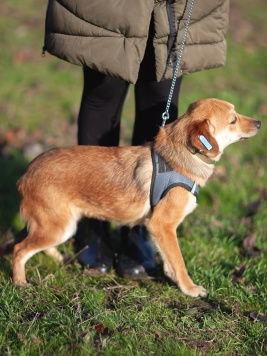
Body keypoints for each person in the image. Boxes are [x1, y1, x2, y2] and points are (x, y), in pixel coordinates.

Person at [42, 0, 230, 278]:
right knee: (103, 93)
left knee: (159, 96)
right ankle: (92, 219)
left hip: (174, 7)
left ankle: (144, 222)